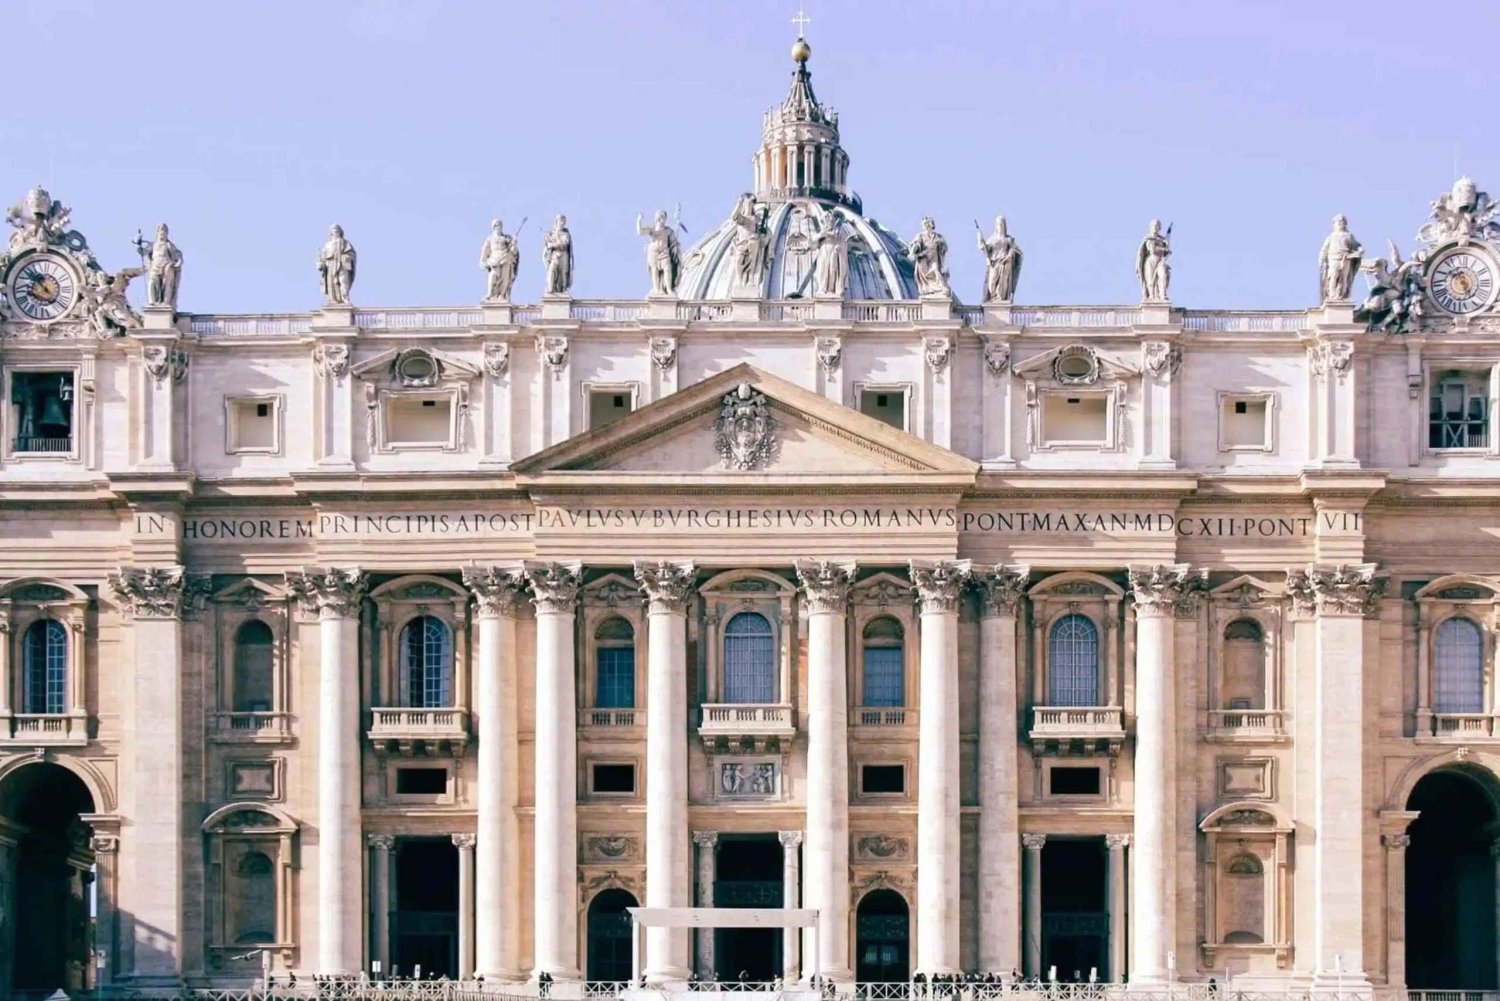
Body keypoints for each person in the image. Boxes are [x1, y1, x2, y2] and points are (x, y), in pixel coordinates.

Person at [318, 224, 357, 304]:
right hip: (330, 265)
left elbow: (351, 254)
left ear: (340, 232)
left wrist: (346, 257)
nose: (335, 231)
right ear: (331, 232)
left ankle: (344, 297)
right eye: (333, 229)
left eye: (337, 229)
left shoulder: (345, 243)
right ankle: (333, 300)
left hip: (342, 265)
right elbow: (322, 258)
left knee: (343, 281)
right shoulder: (327, 245)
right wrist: (321, 264)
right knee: (331, 283)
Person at [1136, 219, 1171, 300]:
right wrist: (1164, 249)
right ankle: (1151, 297)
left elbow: (1164, 254)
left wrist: (1167, 249)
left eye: (1156, 226)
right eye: (1153, 226)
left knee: (1163, 275)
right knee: (1150, 281)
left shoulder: (1162, 239)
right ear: (1150, 227)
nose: (1154, 227)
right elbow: (1152, 249)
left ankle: (1162, 295)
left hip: (1160, 261)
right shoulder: (1148, 238)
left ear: (1159, 228)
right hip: (1150, 261)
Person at [543, 215, 573, 295]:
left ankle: (563, 290)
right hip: (555, 255)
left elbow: (564, 244)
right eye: (561, 221)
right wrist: (551, 244)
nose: (562, 223)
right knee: (552, 270)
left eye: (564, 221)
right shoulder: (551, 234)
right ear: (557, 222)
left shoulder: (565, 234)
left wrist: (553, 244)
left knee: (563, 273)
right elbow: (547, 246)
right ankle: (551, 288)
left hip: (564, 255)